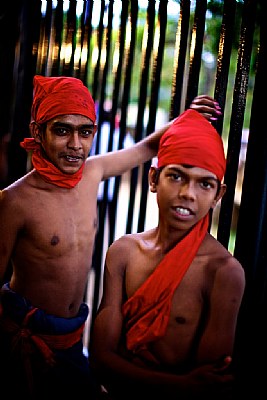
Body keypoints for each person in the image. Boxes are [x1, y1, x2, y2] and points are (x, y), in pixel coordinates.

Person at [0, 74, 222, 399]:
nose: (76, 144)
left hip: (74, 334)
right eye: (62, 130)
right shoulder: (15, 201)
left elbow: (146, 147)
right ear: (38, 131)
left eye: (85, 131)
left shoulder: (92, 172)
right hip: (26, 335)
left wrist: (186, 117)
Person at [90, 108, 245, 400]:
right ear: (153, 179)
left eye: (205, 184)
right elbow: (100, 361)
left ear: (218, 196)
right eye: (176, 176)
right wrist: (181, 384)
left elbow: (206, 387)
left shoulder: (223, 272)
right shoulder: (123, 252)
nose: (188, 193)